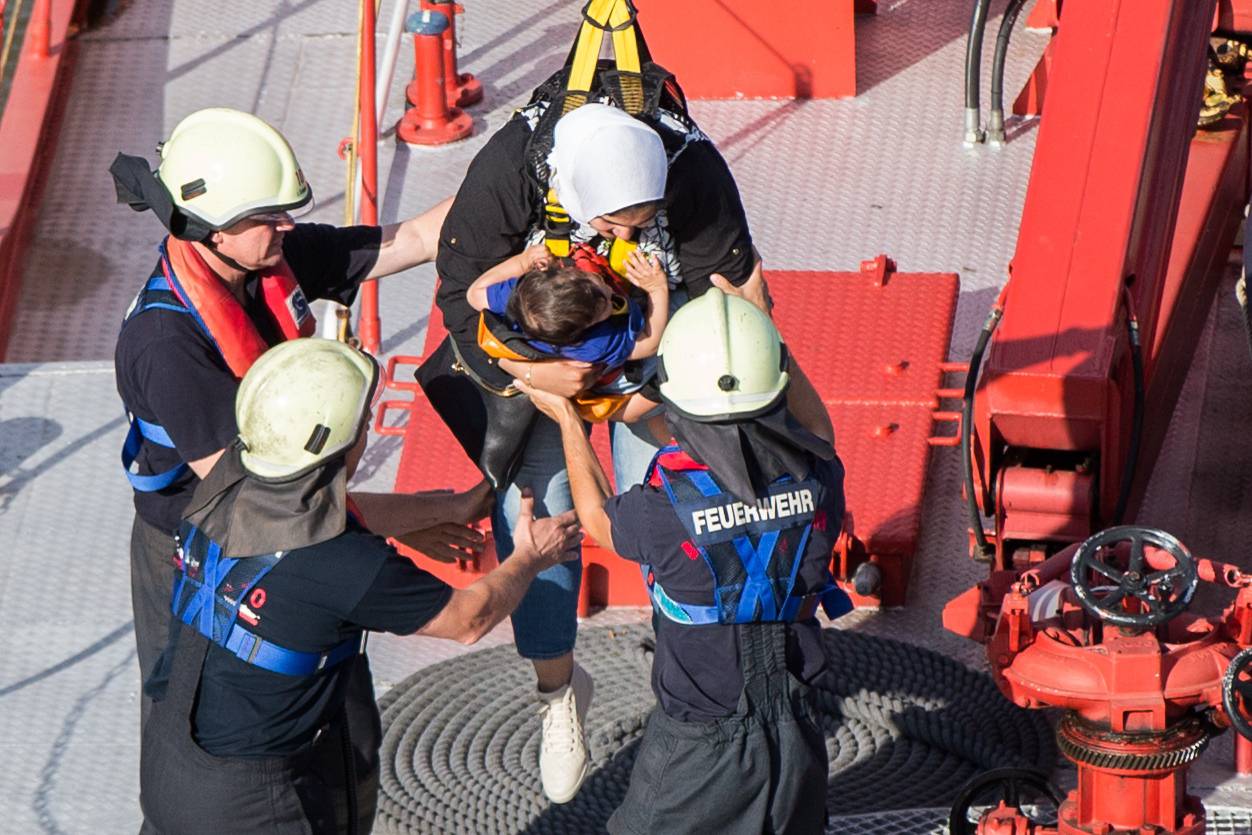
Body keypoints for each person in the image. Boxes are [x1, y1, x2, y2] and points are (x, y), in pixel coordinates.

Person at [427, 89, 765, 802]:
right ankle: (558, 695)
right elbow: (462, 293)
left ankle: (690, 704)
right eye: (612, 221)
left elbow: (737, 292)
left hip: (647, 372)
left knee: (681, 522)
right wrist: (534, 373)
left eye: (642, 222)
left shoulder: (692, 170)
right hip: (543, 381)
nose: (623, 234)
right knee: (539, 522)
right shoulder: (507, 176)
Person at [109, 107, 477, 729]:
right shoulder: (166, 347)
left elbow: (412, 239)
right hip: (200, 552)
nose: (288, 224)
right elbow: (255, 503)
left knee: (326, 725)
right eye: (266, 216)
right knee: (197, 726)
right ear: (210, 229)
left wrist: (516, 182)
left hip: (286, 522)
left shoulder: (273, 256)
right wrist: (430, 511)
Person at [139, 338, 582, 835]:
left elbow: (339, 514)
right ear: (334, 444)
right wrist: (531, 556)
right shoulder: (344, 564)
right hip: (251, 808)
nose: (368, 430)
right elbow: (468, 619)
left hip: (169, 762)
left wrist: (451, 507)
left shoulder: (226, 484)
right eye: (364, 424)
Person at [517, 285, 850, 834]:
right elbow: (819, 434)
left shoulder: (663, 512)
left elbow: (597, 517)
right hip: (798, 733)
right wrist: (768, 336)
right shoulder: (819, 479)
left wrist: (569, 422)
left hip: (701, 743)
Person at [468, 241, 669, 422]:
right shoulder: (595, 343)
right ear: (581, 332)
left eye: (596, 281)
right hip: (619, 377)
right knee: (672, 332)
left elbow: (474, 294)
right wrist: (657, 290)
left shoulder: (518, 298)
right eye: (606, 308)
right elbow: (648, 344)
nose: (608, 292)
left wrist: (523, 261)